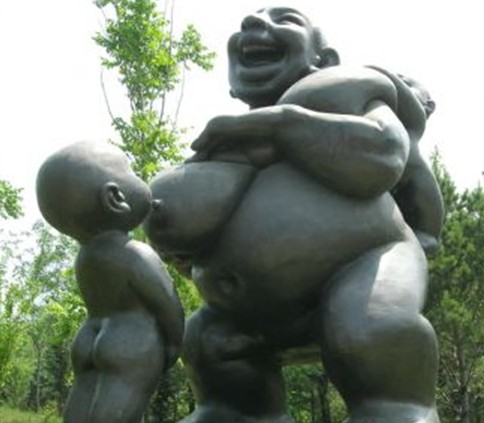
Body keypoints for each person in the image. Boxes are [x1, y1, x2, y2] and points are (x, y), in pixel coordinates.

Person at [147, 7, 441, 423]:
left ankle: (397, 412)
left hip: (365, 265)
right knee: (210, 340)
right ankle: (237, 414)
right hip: (250, 309)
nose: (253, 24)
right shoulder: (229, 139)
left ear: (324, 60)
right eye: (249, 19)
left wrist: (282, 125)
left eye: (285, 19)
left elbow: (384, 154)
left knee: (369, 328)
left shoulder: (350, 93)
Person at [36, 141, 184, 423]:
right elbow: (166, 301)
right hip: (131, 342)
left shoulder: (85, 257)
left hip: (88, 337)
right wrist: (173, 344)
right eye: (130, 171)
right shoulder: (135, 254)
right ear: (115, 198)